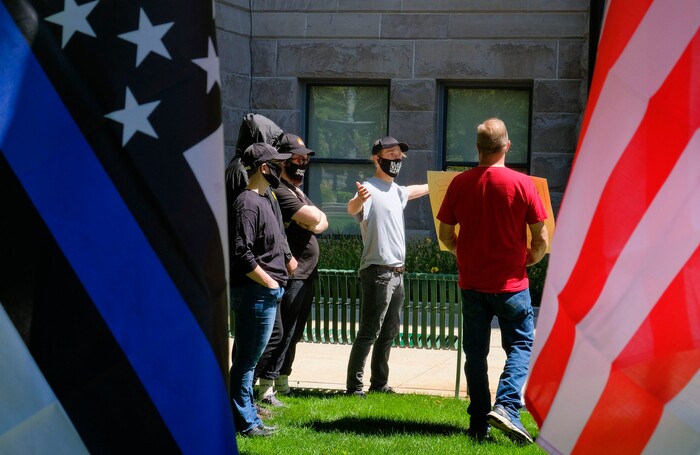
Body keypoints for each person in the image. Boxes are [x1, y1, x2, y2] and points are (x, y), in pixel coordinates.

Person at [436, 118, 549, 444]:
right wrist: (531, 257)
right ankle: (507, 407)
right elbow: (540, 238)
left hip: (472, 285)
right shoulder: (524, 184)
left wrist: (463, 252)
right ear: (507, 146)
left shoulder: (459, 183)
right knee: (520, 346)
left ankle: (478, 423)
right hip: (512, 284)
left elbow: (446, 235)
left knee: (475, 353)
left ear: (477, 148)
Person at [345, 136, 429, 397]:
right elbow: (352, 208)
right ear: (376, 158)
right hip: (377, 271)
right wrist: (359, 199)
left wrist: (438, 184)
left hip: (397, 272)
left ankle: (379, 383)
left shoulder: (396, 191)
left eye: (398, 156)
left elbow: (411, 190)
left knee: (389, 331)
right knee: (370, 330)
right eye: (390, 154)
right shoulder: (369, 189)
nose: (395, 159)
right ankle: (354, 387)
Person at [255, 133, 329, 406]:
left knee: (295, 332)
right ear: (283, 160)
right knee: (280, 332)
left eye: (306, 158)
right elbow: (314, 218)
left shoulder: (297, 190)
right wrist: (314, 219)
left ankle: (283, 380)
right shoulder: (281, 191)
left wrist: (315, 220)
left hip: (307, 272)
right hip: (291, 274)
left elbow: (322, 222)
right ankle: (266, 386)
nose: (303, 163)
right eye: (298, 158)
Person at [229, 142, 292, 437]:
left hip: (267, 292)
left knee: (247, 359)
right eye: (276, 164)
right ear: (264, 168)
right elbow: (242, 254)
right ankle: (246, 423)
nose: (282, 167)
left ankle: (247, 417)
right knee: (247, 361)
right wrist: (268, 282)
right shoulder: (247, 202)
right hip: (256, 294)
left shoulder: (265, 198)